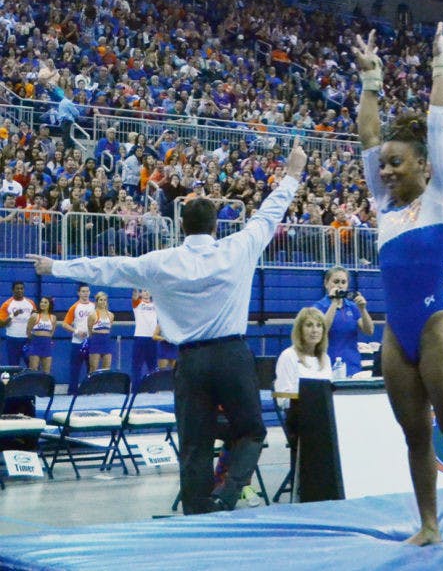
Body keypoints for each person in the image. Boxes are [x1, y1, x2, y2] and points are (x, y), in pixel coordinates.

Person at [28, 136, 308, 515]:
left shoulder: (160, 262)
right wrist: (292, 174)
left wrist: (55, 267)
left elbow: (107, 268)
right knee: (252, 431)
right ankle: (226, 497)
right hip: (231, 355)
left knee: (194, 443)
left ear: (181, 227)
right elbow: (270, 212)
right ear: (214, 226)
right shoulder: (238, 247)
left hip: (189, 362)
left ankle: (196, 513)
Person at [354, 22, 443, 548]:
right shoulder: (384, 205)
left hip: (436, 325)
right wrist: (370, 80)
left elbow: (437, 127)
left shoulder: (441, 198)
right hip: (397, 333)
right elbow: (367, 134)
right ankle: (429, 525)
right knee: (414, 437)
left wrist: (441, 68)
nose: (385, 170)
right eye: (383, 164)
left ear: (422, 167)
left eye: (395, 163)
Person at [274, 307, 332, 476]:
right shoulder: (288, 356)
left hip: (324, 417)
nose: (315, 330)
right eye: (309, 325)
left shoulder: (326, 358)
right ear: (299, 329)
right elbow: (282, 397)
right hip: (298, 418)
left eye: (319, 325)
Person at [313, 266, 374, 377]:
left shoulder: (352, 307)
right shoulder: (318, 307)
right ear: (326, 284)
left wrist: (363, 309)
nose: (340, 285)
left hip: (352, 365)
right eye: (336, 282)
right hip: (327, 365)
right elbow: (322, 330)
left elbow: (369, 331)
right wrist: (334, 303)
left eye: (343, 282)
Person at [61, 284, 96, 394]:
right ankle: (72, 392)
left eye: (87, 291)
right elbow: (65, 324)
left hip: (91, 342)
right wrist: (76, 331)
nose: (85, 293)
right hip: (77, 342)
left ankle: (90, 391)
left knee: (91, 368)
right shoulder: (74, 307)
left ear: (90, 292)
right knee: (75, 369)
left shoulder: (94, 307)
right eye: (83, 291)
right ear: (79, 293)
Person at [0, 281, 35, 366]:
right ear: (13, 290)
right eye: (17, 288)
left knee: (31, 363)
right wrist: (12, 315)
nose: (19, 290)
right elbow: (1, 324)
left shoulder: (30, 303)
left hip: (27, 339)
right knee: (13, 364)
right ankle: (14, 379)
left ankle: (31, 379)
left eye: (21, 288)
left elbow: (35, 320)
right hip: (13, 339)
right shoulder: (6, 304)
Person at [131, 289, 158, 387]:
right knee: (137, 365)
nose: (146, 293)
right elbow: (134, 294)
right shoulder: (138, 303)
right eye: (144, 291)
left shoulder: (156, 304)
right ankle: (135, 388)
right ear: (141, 293)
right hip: (140, 337)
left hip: (153, 338)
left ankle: (153, 388)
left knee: (153, 366)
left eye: (148, 290)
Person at [25, 296, 56, 373]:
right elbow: (28, 331)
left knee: (46, 371)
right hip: (35, 344)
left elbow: (52, 332)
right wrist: (34, 341)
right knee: (33, 370)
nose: (42, 304)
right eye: (41, 302)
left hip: (46, 345)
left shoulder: (53, 317)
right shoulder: (35, 316)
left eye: (45, 302)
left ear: (50, 304)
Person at [87, 291, 114, 373]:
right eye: (101, 300)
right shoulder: (92, 315)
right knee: (93, 367)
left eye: (105, 300)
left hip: (106, 341)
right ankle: (92, 385)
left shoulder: (111, 315)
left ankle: (104, 385)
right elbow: (90, 329)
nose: (103, 302)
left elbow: (109, 328)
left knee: (107, 367)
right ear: (97, 301)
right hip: (96, 341)